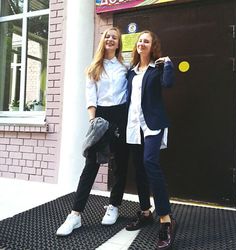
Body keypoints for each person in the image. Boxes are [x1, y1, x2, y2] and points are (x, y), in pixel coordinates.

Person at [56, 27, 129, 236]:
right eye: (108, 36)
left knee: (120, 165)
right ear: (103, 41)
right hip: (101, 118)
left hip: (121, 117)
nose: (111, 39)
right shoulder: (93, 68)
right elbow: (91, 98)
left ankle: (114, 206)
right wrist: (93, 121)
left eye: (114, 37)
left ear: (118, 43)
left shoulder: (125, 68)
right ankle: (75, 214)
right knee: (91, 166)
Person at [125, 30, 177, 250]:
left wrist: (169, 65)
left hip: (153, 124)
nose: (142, 43)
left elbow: (168, 84)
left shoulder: (158, 68)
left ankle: (166, 219)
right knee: (139, 168)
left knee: (150, 163)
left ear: (153, 45)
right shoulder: (131, 73)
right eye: (140, 41)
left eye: (146, 41)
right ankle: (145, 212)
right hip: (133, 125)